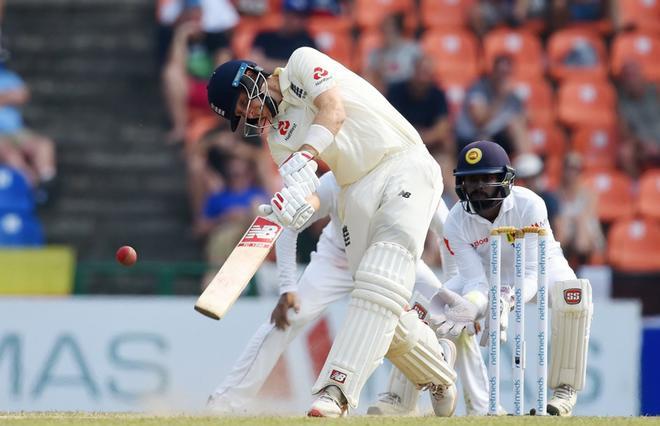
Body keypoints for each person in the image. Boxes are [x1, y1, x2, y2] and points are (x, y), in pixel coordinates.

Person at [206, 46, 455, 417]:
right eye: (240, 115)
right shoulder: (278, 139)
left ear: (251, 77)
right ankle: (437, 366)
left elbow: (333, 112)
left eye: (242, 102)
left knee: (381, 277)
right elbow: (304, 199)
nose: (248, 113)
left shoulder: (302, 62)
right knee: (380, 300)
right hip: (354, 192)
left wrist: (305, 155)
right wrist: (291, 208)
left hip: (401, 160)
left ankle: (335, 392)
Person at [208, 171, 458, 416]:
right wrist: (288, 288)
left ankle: (434, 374)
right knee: (288, 319)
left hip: (393, 258)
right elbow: (289, 226)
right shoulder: (334, 180)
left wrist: (455, 284)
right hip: (336, 260)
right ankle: (226, 402)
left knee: (448, 310)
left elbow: (449, 233)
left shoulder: (412, 174)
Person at [430, 140, 593, 416]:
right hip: (488, 274)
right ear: (461, 184)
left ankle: (565, 392)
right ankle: (417, 394)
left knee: (574, 296)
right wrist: (471, 305)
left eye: (487, 178)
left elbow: (531, 273)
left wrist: (507, 299)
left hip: (543, 269)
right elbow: (475, 282)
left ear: (504, 179)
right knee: (438, 306)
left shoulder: (530, 205)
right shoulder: (456, 221)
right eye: (471, 180)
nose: (478, 186)